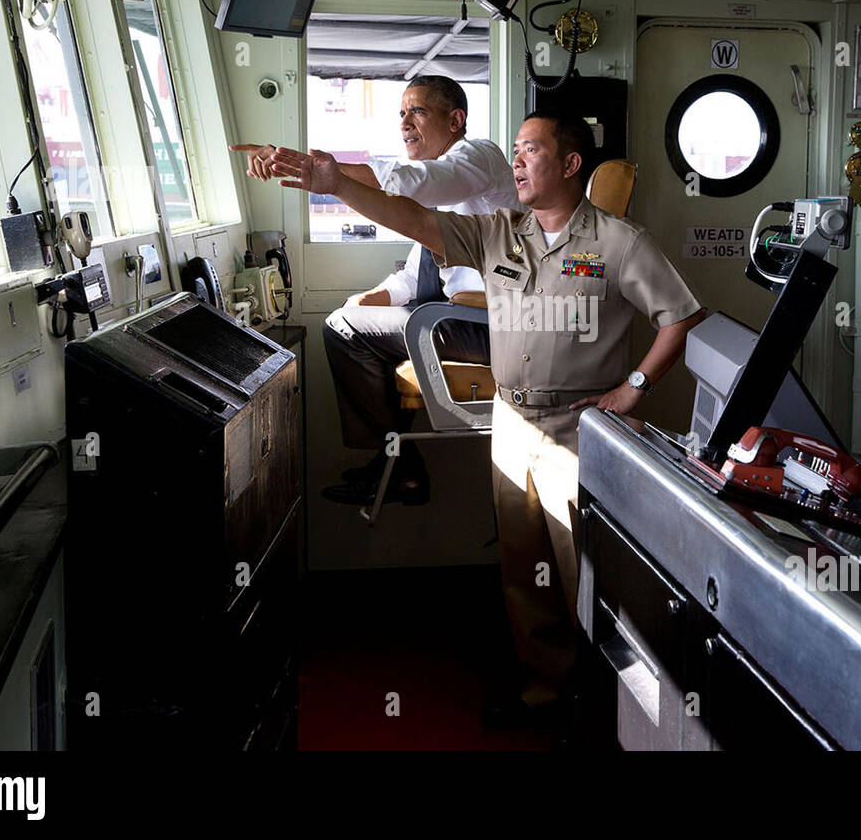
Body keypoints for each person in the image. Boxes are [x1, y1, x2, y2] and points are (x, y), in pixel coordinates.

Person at [258, 111, 707, 726]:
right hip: (512, 423)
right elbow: (413, 217)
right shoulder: (498, 232)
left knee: (588, 574)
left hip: (578, 429)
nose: (516, 161)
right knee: (525, 571)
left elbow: (678, 316)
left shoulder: (617, 242)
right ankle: (545, 692)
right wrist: (335, 183)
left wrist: (632, 389)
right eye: (515, 149)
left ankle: (609, 709)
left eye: (531, 150)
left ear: (570, 164)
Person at [232, 76, 520, 505]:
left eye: (417, 111)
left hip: (490, 326)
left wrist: (316, 171)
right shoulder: (443, 189)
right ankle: (396, 464)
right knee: (346, 320)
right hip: (463, 320)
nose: (405, 122)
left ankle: (398, 465)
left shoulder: (478, 158)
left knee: (342, 329)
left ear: (456, 120)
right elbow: (414, 272)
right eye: (401, 113)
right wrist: (366, 302)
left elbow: (415, 182)